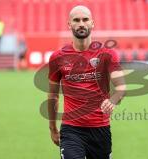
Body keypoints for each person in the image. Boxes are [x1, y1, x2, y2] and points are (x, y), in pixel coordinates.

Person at [47, 5, 126, 159]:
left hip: (100, 130)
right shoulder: (57, 57)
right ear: (69, 24)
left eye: (85, 19)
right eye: (76, 20)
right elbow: (53, 96)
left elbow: (121, 87)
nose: (81, 23)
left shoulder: (107, 54)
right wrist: (52, 128)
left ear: (92, 23)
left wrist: (114, 100)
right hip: (71, 129)